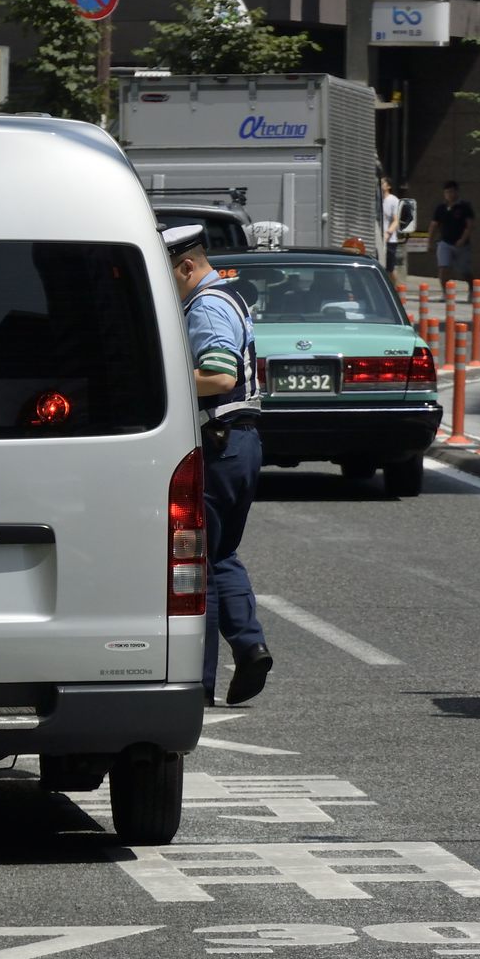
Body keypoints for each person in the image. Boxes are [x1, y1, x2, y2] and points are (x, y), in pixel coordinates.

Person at [164, 224, 273, 708]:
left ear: (188, 266)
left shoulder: (206, 306)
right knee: (220, 552)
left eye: (168, 273)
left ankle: (199, 684)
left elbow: (218, 374)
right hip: (239, 442)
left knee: (198, 565)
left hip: (218, 441)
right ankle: (249, 646)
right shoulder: (228, 297)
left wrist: (160, 377)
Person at [427, 180, 474, 300]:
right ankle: (445, 293)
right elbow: (434, 225)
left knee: (464, 270)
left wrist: (463, 239)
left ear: (456, 192)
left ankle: (472, 289)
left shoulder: (464, 207)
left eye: (451, 192)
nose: (449, 195)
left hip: (461, 244)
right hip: (444, 242)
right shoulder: (441, 208)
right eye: (447, 192)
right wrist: (429, 241)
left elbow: (469, 226)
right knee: (443, 268)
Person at [380, 177, 401, 279]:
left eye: (383, 183)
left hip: (390, 240)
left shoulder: (393, 200)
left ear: (388, 186)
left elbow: (396, 220)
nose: (380, 184)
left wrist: (388, 233)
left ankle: (394, 290)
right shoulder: (377, 200)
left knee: (390, 269)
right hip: (378, 239)